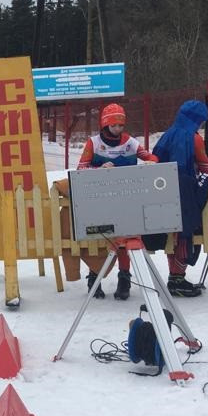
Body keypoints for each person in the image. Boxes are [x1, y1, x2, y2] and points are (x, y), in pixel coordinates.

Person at [75, 103, 159, 299]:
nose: (118, 130)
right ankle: (94, 279)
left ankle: (124, 280)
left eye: (121, 126)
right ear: (105, 125)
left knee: (126, 239)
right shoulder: (93, 143)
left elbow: (152, 157)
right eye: (114, 126)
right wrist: (99, 169)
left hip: (127, 199)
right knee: (100, 239)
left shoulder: (130, 142)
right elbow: (80, 169)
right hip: (100, 200)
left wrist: (150, 162)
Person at [151, 100, 208, 297]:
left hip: (163, 189)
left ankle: (175, 277)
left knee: (174, 233)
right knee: (187, 232)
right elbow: (205, 168)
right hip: (186, 191)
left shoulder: (167, 134)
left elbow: (155, 159)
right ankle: (177, 279)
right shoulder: (194, 138)